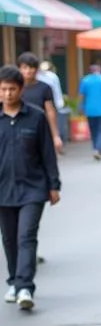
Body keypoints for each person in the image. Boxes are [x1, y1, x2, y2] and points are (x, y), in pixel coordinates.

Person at [0, 65, 59, 310]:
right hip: (3, 190)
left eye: (12, 89)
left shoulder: (36, 116)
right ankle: (14, 280)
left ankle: (25, 286)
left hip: (33, 188)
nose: (7, 94)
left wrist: (54, 184)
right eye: (3, 89)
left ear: (21, 89)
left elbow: (47, 153)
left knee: (26, 236)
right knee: (9, 238)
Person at [18, 53, 62, 154]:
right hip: (19, 129)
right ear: (19, 69)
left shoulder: (45, 88)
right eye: (24, 67)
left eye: (31, 67)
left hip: (40, 129)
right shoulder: (15, 88)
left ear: (37, 69)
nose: (28, 71)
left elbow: (50, 111)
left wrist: (55, 136)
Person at [78, 64, 101, 159]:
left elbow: (81, 95)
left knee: (93, 131)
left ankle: (95, 148)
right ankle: (98, 149)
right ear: (100, 70)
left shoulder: (85, 80)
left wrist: (80, 107)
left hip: (89, 110)